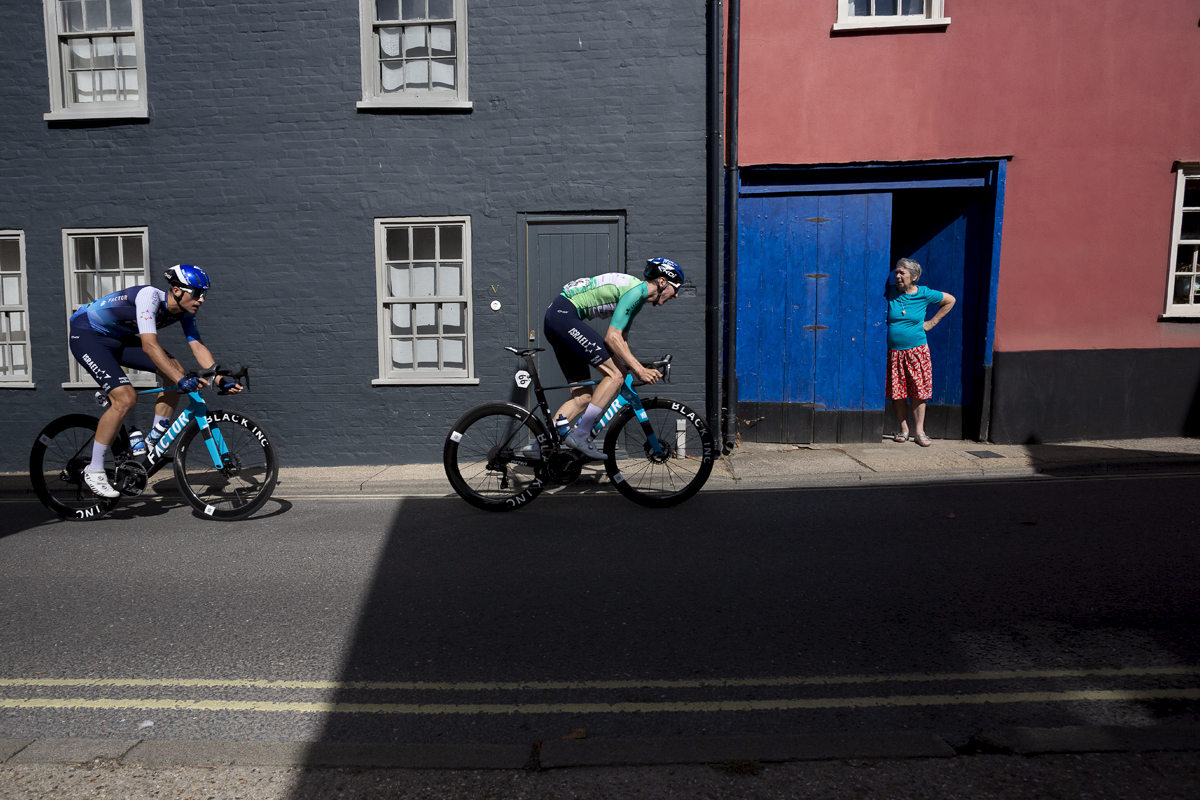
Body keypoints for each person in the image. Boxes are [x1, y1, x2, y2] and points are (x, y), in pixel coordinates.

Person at [68, 264, 242, 498]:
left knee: (175, 368)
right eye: (197, 293)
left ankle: (151, 441)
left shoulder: (186, 311)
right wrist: (181, 381)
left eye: (204, 294)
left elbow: (197, 346)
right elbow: (149, 345)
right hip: (87, 333)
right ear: (177, 290)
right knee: (126, 397)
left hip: (116, 338)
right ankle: (95, 469)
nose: (201, 299)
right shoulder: (149, 297)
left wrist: (219, 380)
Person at [542, 257, 685, 459]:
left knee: (582, 398)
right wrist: (639, 370)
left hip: (557, 317)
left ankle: (541, 446)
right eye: (676, 287)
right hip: (564, 316)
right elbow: (612, 338)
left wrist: (639, 365)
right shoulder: (636, 291)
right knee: (616, 375)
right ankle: (581, 435)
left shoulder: (638, 297)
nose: (677, 295)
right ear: (662, 281)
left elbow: (621, 342)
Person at [886, 257, 955, 447]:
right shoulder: (890, 292)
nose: (898, 276)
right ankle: (903, 429)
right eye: (897, 272)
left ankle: (919, 431)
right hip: (895, 352)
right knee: (898, 391)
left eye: (902, 273)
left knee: (918, 390)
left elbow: (950, 300)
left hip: (917, 350)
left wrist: (932, 323)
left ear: (914, 276)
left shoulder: (924, 294)